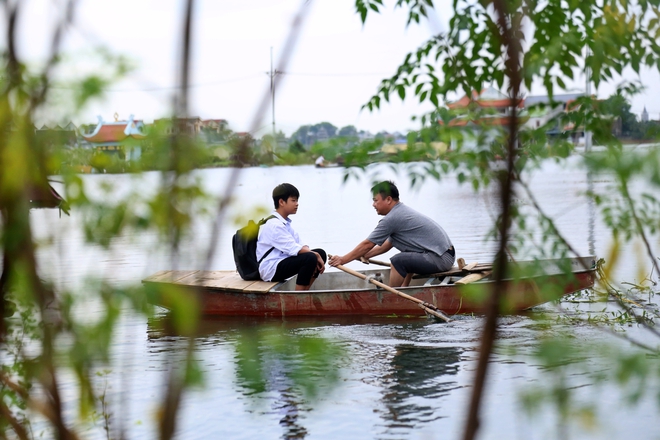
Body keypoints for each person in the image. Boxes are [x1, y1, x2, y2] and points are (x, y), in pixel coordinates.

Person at [329, 181, 454, 287]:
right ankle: (404, 290)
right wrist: (365, 255)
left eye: (375, 200)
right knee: (405, 257)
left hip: (441, 258)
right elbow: (388, 244)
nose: (373, 205)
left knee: (398, 260)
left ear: (388, 199)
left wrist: (343, 259)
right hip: (446, 255)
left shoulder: (392, 218)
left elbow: (367, 244)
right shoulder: (399, 212)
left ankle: (392, 296)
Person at [257, 183, 326, 290]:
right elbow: (292, 248)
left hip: (281, 261)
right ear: (281, 202)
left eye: (297, 201)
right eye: (293, 200)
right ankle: (298, 298)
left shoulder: (284, 223)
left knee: (320, 253)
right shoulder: (274, 225)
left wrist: (317, 254)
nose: (297, 204)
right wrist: (314, 255)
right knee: (311, 257)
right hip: (270, 268)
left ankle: (304, 291)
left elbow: (300, 244)